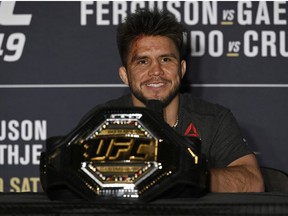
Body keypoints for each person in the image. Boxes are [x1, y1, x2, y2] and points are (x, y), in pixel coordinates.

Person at [83, 9, 264, 192]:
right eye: (143, 62)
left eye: (166, 59)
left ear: (182, 69)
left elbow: (253, 181)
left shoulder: (213, 119)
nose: (156, 72)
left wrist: (185, 176)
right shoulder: (101, 122)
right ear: (125, 75)